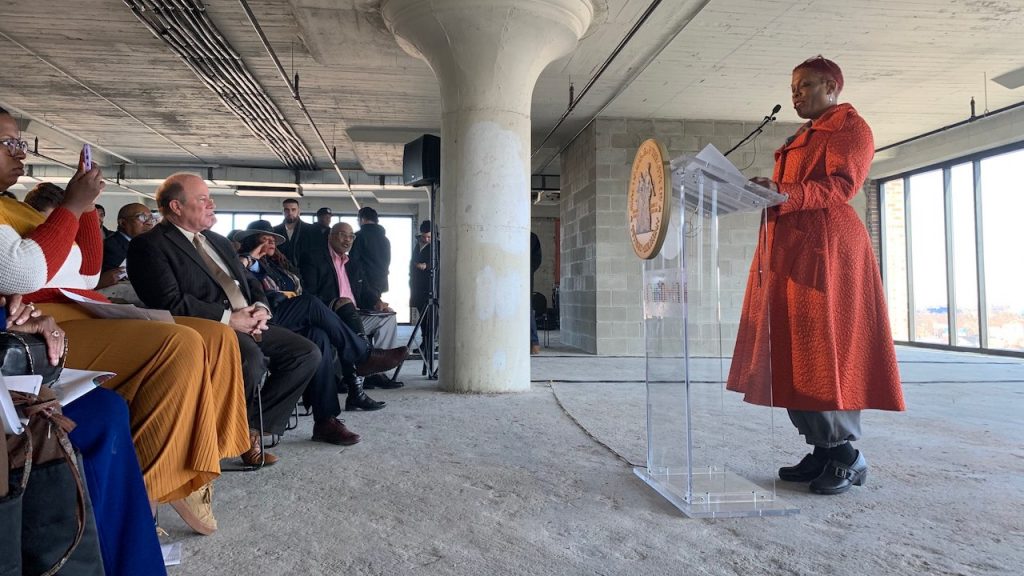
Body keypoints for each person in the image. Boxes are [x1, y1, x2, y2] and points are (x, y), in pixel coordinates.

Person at [1, 107, 248, 543]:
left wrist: (83, 209)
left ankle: (198, 464)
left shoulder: (15, 208)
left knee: (217, 336)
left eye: (22, 143)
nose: (21, 153)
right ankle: (147, 494)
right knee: (178, 344)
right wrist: (72, 205)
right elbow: (24, 273)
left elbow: (85, 273)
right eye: (10, 144)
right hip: (41, 324)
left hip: (80, 307)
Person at [726, 56, 905, 496]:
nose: (796, 94)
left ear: (831, 86)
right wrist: (767, 190)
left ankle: (847, 457)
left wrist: (783, 192)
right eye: (793, 86)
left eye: (804, 85)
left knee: (826, 351)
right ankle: (822, 449)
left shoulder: (850, 128)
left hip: (828, 249)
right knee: (793, 350)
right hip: (791, 248)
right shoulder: (804, 135)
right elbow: (794, 191)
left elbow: (842, 186)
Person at [127, 174, 378, 446]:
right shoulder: (149, 245)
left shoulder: (217, 241)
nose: (212, 204)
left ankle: (251, 429)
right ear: (176, 206)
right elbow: (168, 302)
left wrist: (260, 307)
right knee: (253, 358)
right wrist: (229, 318)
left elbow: (249, 281)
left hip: (250, 319)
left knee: (310, 348)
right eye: (202, 199)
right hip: (209, 328)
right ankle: (361, 357)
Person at [235, 219, 404, 412]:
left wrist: (376, 301)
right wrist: (249, 258)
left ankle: (327, 417)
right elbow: (241, 280)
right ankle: (363, 355)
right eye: (265, 239)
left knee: (319, 335)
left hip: (298, 314)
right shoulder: (243, 263)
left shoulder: (278, 265)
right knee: (313, 303)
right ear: (252, 241)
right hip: (268, 317)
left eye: (273, 239)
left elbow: (362, 289)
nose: (271, 242)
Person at [305, 222, 404, 390]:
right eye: (343, 235)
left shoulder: (354, 263)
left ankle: (375, 371)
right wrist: (334, 303)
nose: (347, 240)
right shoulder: (314, 258)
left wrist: (377, 302)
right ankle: (363, 361)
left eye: (351, 236)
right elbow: (309, 293)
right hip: (332, 316)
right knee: (345, 311)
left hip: (356, 315)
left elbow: (364, 290)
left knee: (388, 317)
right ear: (330, 236)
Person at [97, 202, 156, 289]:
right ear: (123, 223)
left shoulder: (148, 244)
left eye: (150, 218)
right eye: (142, 217)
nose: (149, 223)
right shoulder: (110, 247)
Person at [348, 206, 391, 311]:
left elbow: (353, 261)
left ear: (362, 219)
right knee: (374, 310)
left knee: (364, 314)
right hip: (380, 281)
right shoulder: (385, 239)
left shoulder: (358, 236)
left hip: (363, 283)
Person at [272, 197, 319, 272]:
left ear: (298, 211)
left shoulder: (311, 230)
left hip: (307, 271)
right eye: (286, 210)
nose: (290, 213)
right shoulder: (274, 231)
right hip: (280, 272)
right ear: (282, 212)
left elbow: (316, 254)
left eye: (293, 209)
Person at [530, 231, 542, 355]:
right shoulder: (532, 237)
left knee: (527, 308)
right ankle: (534, 344)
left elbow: (536, 260)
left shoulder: (532, 237)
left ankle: (534, 343)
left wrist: (528, 270)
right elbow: (537, 260)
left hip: (525, 276)